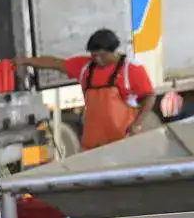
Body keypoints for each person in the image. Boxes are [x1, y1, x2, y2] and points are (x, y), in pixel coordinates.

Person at [15, 29, 156, 151]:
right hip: (92, 144)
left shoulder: (130, 68)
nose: (98, 59)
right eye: (94, 55)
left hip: (123, 143)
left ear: (113, 51)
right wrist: (25, 61)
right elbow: (55, 63)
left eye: (102, 55)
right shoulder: (85, 67)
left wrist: (136, 124)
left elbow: (149, 96)